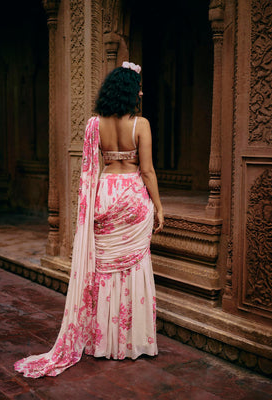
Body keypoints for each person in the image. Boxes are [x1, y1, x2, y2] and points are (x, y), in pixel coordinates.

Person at [14, 61, 164, 378]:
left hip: (105, 195)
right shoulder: (142, 124)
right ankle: (131, 342)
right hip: (132, 197)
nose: (141, 90)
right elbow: (147, 171)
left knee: (105, 270)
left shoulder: (94, 125)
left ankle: (103, 342)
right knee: (134, 266)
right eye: (138, 85)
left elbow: (91, 169)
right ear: (129, 91)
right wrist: (159, 207)